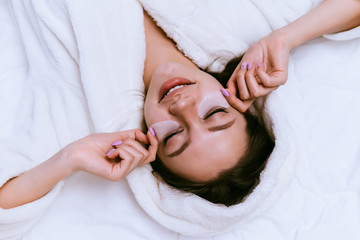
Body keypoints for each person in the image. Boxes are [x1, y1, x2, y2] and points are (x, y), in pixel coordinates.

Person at [0, 0, 359, 210]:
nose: (183, 106)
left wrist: (69, 159)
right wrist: (288, 36)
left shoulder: (80, 99)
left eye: (173, 137)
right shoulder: (242, 29)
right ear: (242, 104)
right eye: (215, 114)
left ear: (151, 151)